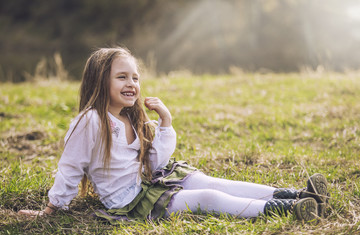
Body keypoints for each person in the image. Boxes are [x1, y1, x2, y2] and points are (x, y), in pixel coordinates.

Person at [19, 47, 329, 223]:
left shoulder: (133, 116)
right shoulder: (89, 121)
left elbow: (155, 162)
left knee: (212, 182)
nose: (132, 84)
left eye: (135, 77)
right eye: (122, 77)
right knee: (207, 198)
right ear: (101, 81)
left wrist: (165, 121)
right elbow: (70, 168)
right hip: (133, 199)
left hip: (156, 178)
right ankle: (290, 210)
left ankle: (299, 195)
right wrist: (52, 208)